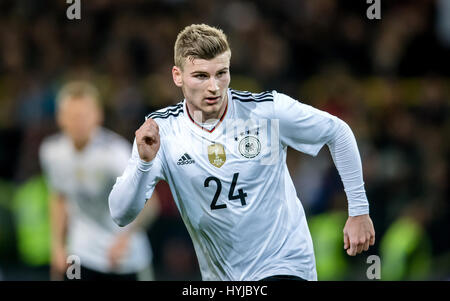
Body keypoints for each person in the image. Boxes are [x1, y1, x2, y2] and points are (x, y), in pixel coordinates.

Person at [108, 24, 375, 281]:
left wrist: (359, 210)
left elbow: (337, 131)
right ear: (177, 76)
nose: (214, 86)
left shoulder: (265, 113)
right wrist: (144, 163)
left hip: (285, 264)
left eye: (221, 73)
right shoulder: (162, 131)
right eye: (201, 76)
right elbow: (121, 214)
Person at [40, 81, 158, 281]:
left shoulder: (115, 153)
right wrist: (58, 247)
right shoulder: (52, 152)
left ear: (98, 116)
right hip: (79, 253)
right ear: (61, 118)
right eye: (73, 116)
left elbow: (151, 203)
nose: (79, 122)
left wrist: (125, 238)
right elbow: (59, 198)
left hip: (123, 258)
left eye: (84, 116)